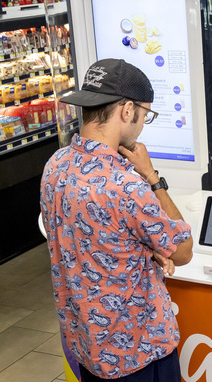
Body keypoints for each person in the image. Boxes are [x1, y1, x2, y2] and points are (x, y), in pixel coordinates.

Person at [40, 58, 193, 381]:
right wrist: (151, 176)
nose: (142, 125)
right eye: (145, 115)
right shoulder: (126, 186)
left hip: (87, 349)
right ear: (127, 110)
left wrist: (145, 250)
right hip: (138, 353)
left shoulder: (55, 166)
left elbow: (95, 238)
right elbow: (182, 250)